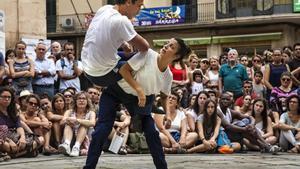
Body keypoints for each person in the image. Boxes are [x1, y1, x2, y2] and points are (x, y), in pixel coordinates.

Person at [84, 38, 191, 169]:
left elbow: (164, 96)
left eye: (171, 47)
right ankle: (89, 167)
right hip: (115, 91)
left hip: (139, 100)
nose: (165, 46)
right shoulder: (148, 54)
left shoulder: (168, 76)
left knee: (152, 132)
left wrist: (168, 116)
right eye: (167, 43)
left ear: (176, 56)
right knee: (102, 129)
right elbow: (124, 70)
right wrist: (139, 89)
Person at [81, 0, 149, 87]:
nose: (139, 10)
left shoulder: (104, 9)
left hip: (86, 66)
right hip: (101, 75)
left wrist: (124, 44)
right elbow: (145, 47)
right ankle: (141, 95)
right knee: (145, 58)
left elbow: (104, 34)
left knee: (130, 55)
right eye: (139, 6)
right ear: (128, 2)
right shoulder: (122, 21)